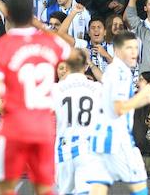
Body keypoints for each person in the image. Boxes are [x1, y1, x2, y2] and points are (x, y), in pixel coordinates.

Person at [0, 0, 71, 195]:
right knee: (46, 188)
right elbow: (70, 50)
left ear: (8, 14)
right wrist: (39, 25)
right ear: (32, 13)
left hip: (14, 128)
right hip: (43, 128)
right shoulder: (52, 44)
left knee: (6, 188)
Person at [73, 30, 150, 195]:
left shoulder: (120, 71)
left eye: (135, 47)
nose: (134, 52)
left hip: (109, 139)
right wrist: (146, 98)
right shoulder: (119, 72)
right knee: (138, 184)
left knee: (100, 186)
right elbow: (118, 108)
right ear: (117, 51)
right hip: (114, 141)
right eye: (129, 48)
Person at [54, 48, 101, 195]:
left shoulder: (56, 89)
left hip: (63, 147)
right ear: (86, 66)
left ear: (67, 65)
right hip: (87, 146)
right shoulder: (97, 88)